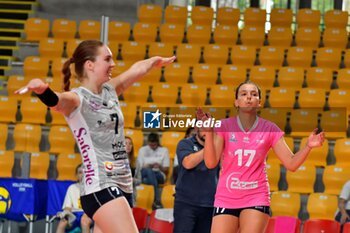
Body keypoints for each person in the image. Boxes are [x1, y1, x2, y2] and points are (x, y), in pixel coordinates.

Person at [15, 39, 175, 233]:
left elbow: (135, 70)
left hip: (123, 185)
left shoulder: (109, 90)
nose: (113, 64)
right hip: (101, 186)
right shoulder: (78, 98)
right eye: (107, 59)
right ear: (90, 65)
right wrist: (41, 89)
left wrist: (154, 61)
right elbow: (57, 101)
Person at [197, 81, 325, 233]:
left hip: (256, 196)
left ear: (260, 102)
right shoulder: (224, 126)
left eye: (254, 94)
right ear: (236, 102)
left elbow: (291, 164)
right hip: (226, 196)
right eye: (243, 94)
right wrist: (210, 133)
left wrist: (308, 146)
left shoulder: (270, 129)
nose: (249, 97)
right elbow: (211, 163)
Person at [173, 126, 219, 233]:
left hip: (209, 204)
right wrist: (209, 147)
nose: (207, 131)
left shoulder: (218, 148)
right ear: (197, 128)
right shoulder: (185, 143)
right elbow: (188, 163)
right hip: (185, 204)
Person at [136, 132, 170, 209]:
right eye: (151, 145)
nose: (153, 147)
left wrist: (160, 166)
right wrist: (147, 166)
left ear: (158, 142)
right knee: (148, 170)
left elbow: (166, 169)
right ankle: (156, 201)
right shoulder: (142, 150)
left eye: (154, 145)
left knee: (145, 180)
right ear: (148, 142)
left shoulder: (164, 150)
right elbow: (139, 167)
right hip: (144, 172)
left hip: (159, 174)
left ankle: (152, 200)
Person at [56, 164, 93, 233]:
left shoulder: (93, 188)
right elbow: (67, 207)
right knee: (62, 223)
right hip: (74, 215)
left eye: (85, 172)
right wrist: (66, 214)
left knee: (84, 221)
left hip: (88, 215)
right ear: (76, 175)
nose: (83, 175)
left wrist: (86, 214)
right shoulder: (72, 188)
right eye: (80, 172)